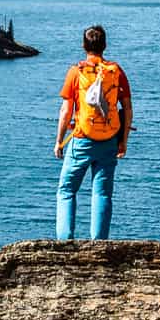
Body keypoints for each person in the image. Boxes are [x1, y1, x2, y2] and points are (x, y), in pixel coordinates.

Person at [54, 23, 132, 241]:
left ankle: (64, 241)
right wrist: (123, 141)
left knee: (67, 191)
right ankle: (99, 244)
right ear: (105, 45)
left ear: (83, 45)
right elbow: (127, 108)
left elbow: (66, 111)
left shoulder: (76, 72)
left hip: (81, 139)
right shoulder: (116, 72)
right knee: (103, 193)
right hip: (109, 140)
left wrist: (59, 141)